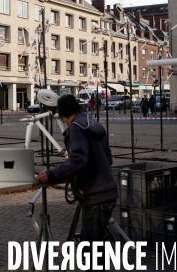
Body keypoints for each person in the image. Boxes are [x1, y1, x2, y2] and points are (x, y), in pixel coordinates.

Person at [34, 94, 117, 243]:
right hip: (107, 192)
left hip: (95, 196)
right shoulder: (91, 122)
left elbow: (78, 161)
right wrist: (67, 169)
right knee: (96, 245)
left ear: (63, 114)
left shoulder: (76, 128)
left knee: (92, 250)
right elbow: (107, 158)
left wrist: (51, 174)